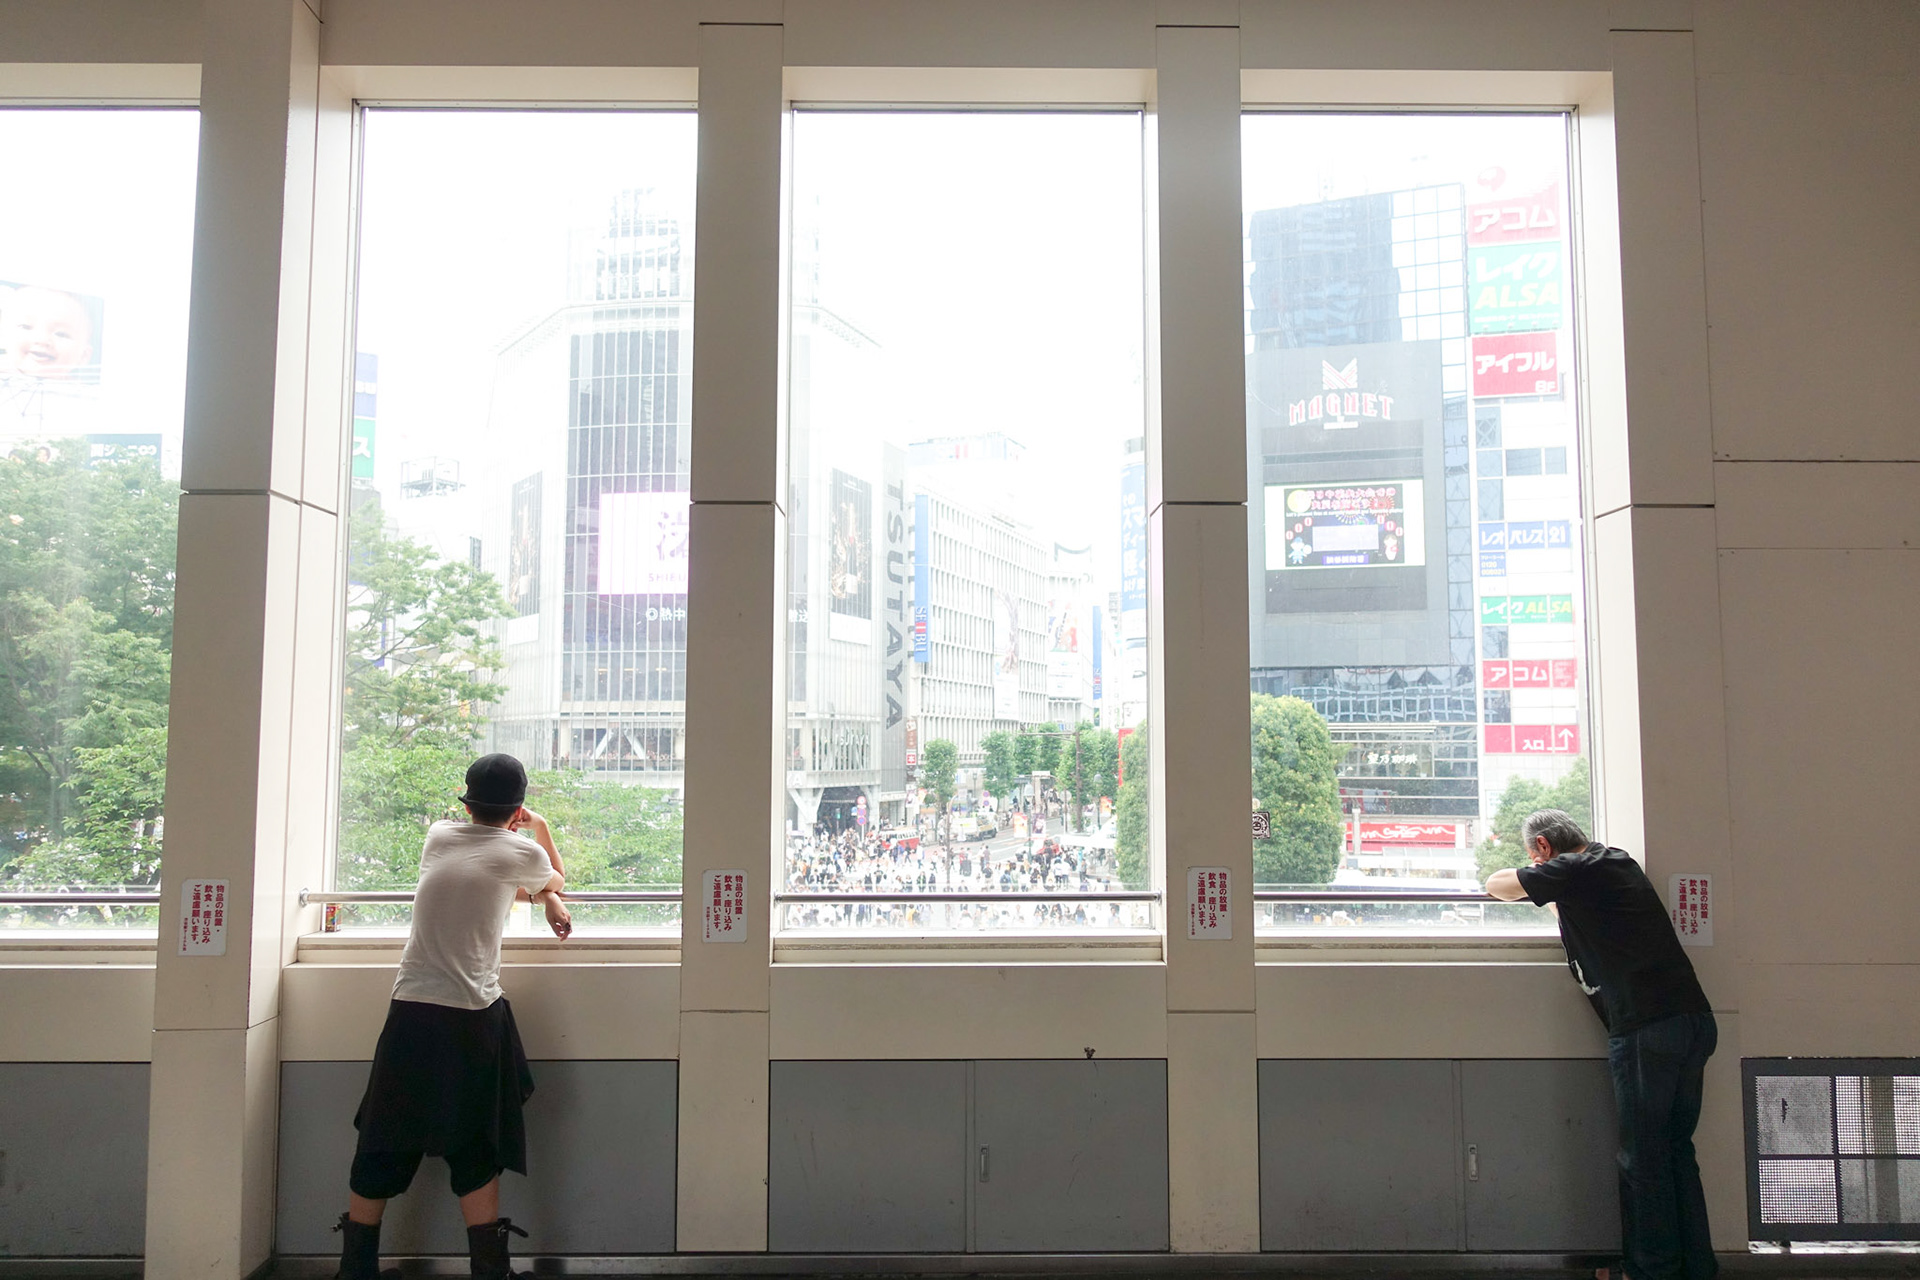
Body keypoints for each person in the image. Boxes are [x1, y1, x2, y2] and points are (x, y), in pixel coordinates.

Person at [331, 753, 572, 1280]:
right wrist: (543, 840)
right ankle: (489, 1271)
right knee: (477, 1143)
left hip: (410, 1010)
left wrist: (543, 891)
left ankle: (355, 1268)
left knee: (383, 1135)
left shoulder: (439, 836)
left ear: (466, 805)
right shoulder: (522, 849)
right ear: (517, 811)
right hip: (471, 1014)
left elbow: (494, 877)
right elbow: (555, 878)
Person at [1485, 808, 1715, 1280]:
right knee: (1676, 1152)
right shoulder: (1613, 863)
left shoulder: (1573, 868)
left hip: (1646, 1028)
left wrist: (1532, 873)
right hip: (1691, 1020)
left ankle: (1648, 1271)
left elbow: (1498, 885)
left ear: (1544, 847)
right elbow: (1574, 908)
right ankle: (1695, 1267)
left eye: (1535, 855)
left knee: (1642, 1158)